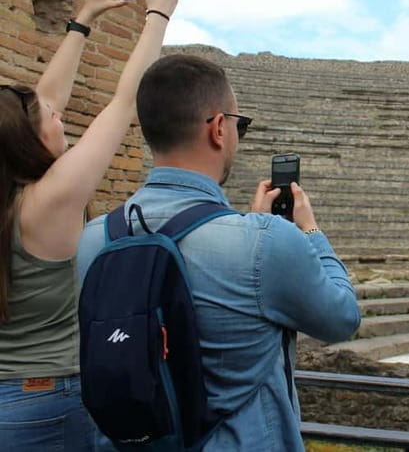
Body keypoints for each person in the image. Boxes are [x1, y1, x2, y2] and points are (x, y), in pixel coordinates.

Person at [76, 53, 361, 451]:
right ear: (217, 129)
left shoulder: (92, 239)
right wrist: (308, 231)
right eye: (238, 124)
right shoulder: (265, 241)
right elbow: (342, 319)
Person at [0, 0, 180, 450]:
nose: (61, 116)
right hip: (43, 402)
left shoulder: (12, 196)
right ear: (28, 139)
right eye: (54, 118)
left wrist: (85, 18)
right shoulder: (48, 200)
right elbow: (124, 103)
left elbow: (42, 98)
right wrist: (158, 16)